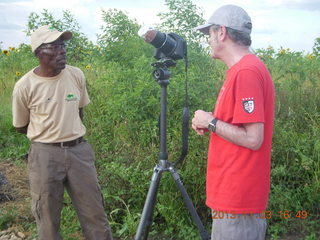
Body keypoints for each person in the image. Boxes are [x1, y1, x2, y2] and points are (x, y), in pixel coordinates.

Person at [12, 25, 113, 240]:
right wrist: (49, 137)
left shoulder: (76, 74)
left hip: (79, 152)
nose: (62, 51)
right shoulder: (25, 86)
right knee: (47, 219)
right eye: (54, 47)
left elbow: (79, 111)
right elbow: (21, 125)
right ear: (39, 53)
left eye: (63, 46)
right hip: (44, 157)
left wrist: (71, 136)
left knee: (95, 215)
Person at [192, 5, 275, 240]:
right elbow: (237, 124)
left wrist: (210, 122)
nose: (208, 39)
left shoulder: (246, 72)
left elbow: (253, 138)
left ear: (222, 33)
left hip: (239, 198)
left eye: (209, 33)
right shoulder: (240, 70)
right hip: (234, 194)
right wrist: (211, 122)